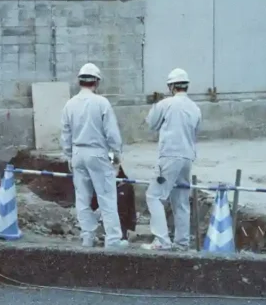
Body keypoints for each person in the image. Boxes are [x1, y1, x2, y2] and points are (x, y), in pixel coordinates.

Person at [61, 63, 128, 250]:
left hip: (78, 153)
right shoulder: (102, 103)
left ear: (79, 81)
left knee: (82, 197)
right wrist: (116, 158)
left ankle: (87, 237)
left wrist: (69, 155)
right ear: (96, 82)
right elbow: (112, 135)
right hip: (98, 153)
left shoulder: (70, 104)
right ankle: (113, 239)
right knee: (106, 196)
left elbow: (65, 134)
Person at [142, 68, 202, 251]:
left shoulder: (166, 104)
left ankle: (162, 240)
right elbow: (196, 132)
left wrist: (155, 105)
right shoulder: (195, 107)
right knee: (181, 200)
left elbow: (151, 123)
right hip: (187, 157)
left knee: (154, 196)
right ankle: (182, 242)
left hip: (169, 156)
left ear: (171, 86)